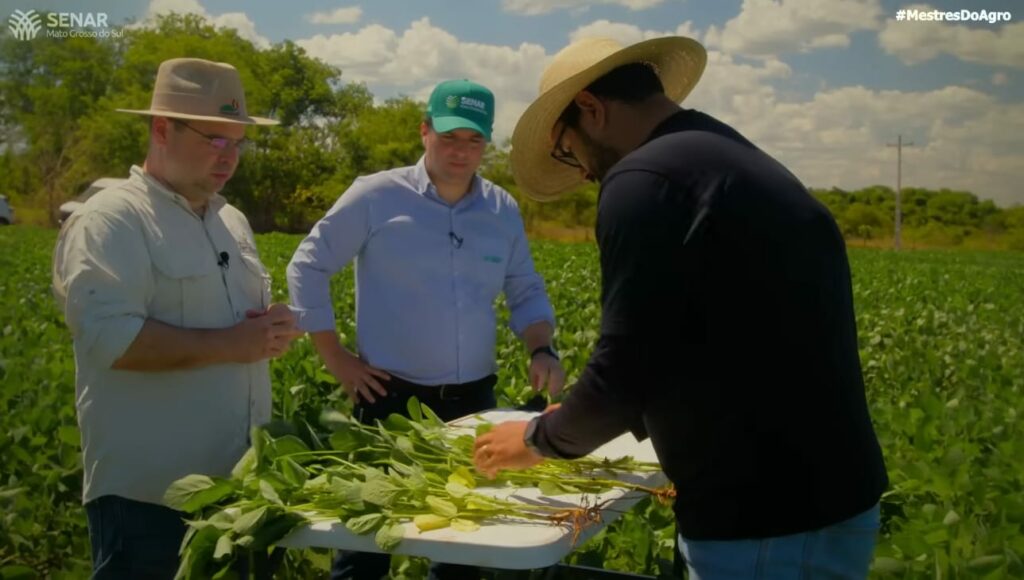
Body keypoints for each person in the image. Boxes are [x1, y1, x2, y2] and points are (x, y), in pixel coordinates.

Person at [474, 37, 889, 579]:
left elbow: (627, 367)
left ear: (592, 109)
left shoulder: (645, 180)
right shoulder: (720, 156)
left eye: (569, 150)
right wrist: (580, 418)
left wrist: (536, 440)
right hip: (822, 497)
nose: (584, 173)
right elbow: (704, 339)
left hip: (763, 519)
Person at [288, 79, 565, 579]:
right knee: (365, 546)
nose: (461, 151)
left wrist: (542, 348)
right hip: (389, 399)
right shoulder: (376, 195)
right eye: (450, 137)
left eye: (474, 140)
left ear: (486, 143)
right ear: (425, 131)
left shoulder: (501, 209)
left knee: (463, 548)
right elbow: (307, 266)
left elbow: (524, 287)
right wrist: (335, 358)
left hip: (473, 402)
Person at [52, 58, 300, 579]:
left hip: (238, 493)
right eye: (215, 139)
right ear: (162, 129)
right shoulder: (113, 220)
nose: (229, 156)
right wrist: (233, 343)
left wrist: (267, 331)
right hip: (150, 503)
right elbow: (110, 339)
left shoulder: (230, 219)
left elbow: (233, 328)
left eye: (238, 142)